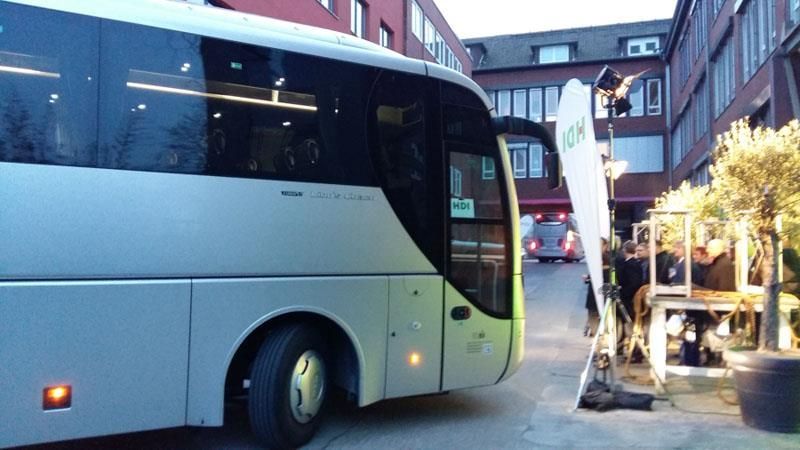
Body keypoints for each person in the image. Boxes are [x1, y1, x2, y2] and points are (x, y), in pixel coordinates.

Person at [584, 238, 610, 337]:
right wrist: (589, 277)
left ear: (605, 246)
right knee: (593, 314)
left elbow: (606, 275)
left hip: (603, 291)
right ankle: (598, 338)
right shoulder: (596, 257)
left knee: (598, 314)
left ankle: (602, 339)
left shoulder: (607, 258)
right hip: (594, 292)